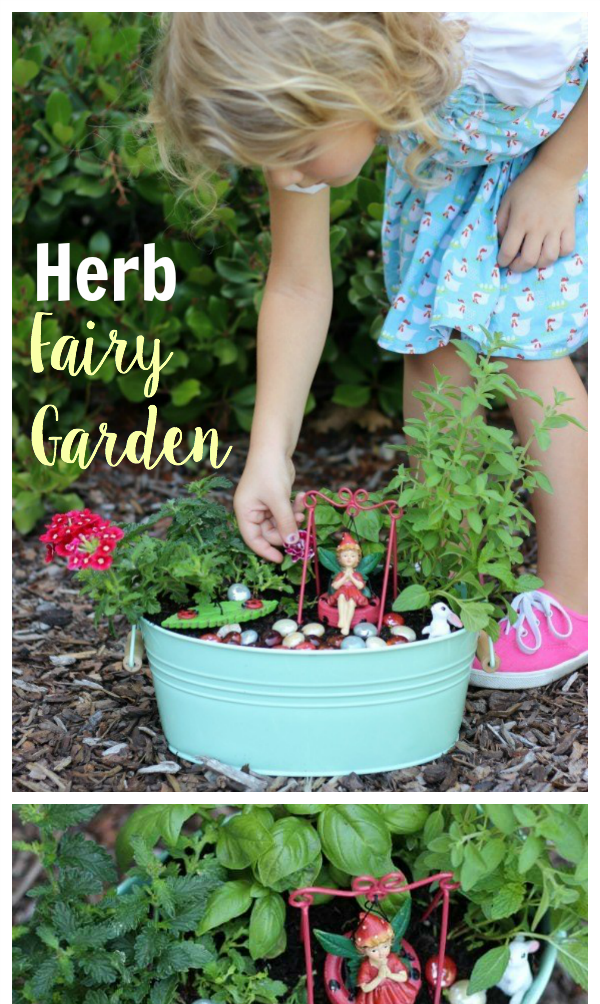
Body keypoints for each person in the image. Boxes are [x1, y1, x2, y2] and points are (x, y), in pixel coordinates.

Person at [150, 13, 588, 688]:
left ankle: (574, 599)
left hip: (552, 160)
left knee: (522, 349)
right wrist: (270, 451)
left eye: (295, 153)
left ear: (347, 82)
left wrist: (559, 172)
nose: (289, 174)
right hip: (448, 173)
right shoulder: (305, 115)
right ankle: (460, 583)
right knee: (430, 349)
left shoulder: (501, 29)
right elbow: (296, 286)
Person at [354, 912, 418, 1004]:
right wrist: (379, 978)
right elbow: (365, 988)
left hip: (395, 990)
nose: (381, 953)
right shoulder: (366, 966)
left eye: (384, 947)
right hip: (377, 993)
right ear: (364, 951)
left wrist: (390, 975)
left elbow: (403, 977)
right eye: (374, 950)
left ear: (390, 943)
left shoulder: (393, 959)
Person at [327, 533, 369, 635]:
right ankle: (342, 619)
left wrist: (351, 577)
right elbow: (335, 586)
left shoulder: (357, 574)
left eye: (352, 556)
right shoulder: (341, 574)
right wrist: (345, 577)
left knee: (351, 603)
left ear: (357, 559)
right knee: (341, 597)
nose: (349, 558)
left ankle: (346, 625)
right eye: (345, 556)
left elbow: (360, 586)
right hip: (342, 591)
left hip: (354, 593)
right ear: (340, 559)